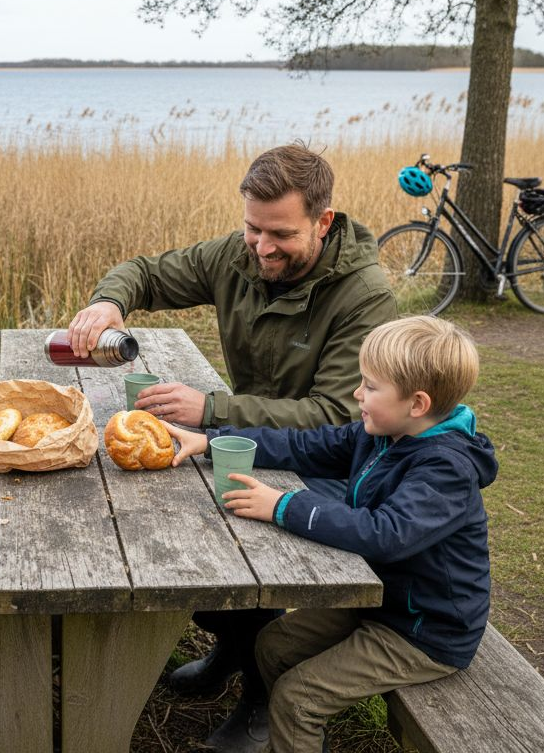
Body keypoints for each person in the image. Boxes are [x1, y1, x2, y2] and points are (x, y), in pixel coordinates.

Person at [64, 143, 397, 751]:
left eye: (281, 234)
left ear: (323, 221)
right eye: (252, 229)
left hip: (324, 462)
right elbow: (146, 272)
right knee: (161, 522)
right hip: (241, 441)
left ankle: (263, 694)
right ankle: (236, 645)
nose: (262, 248)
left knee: (227, 538)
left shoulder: (365, 295)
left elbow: (335, 416)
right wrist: (109, 301)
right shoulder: (236, 255)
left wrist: (212, 409)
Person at [166, 315, 496, 753]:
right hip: (380, 600)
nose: (357, 394)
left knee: (298, 700)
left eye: (370, 386)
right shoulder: (384, 434)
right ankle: (283, 735)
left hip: (424, 629)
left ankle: (293, 727)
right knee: (273, 645)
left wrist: (283, 505)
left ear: (417, 404)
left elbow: (386, 534)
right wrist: (214, 441)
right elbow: (304, 446)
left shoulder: (446, 469)